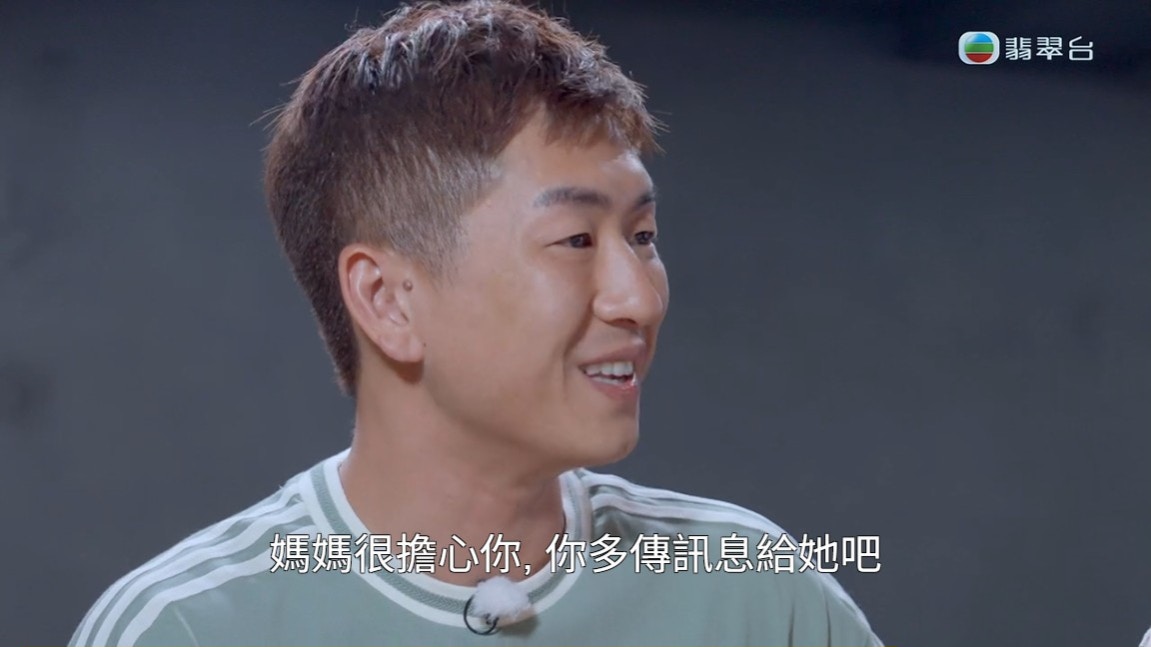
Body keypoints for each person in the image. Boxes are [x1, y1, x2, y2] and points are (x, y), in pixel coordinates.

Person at [69, 1, 882, 645]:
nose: (637, 298)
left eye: (642, 236)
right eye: (574, 240)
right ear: (387, 299)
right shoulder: (183, 628)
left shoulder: (754, 596)